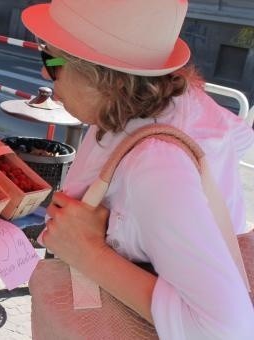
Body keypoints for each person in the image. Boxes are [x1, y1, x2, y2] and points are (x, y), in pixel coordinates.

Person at [22, 0, 254, 338]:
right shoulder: (172, 99)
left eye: (50, 60)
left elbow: (228, 330)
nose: (44, 73)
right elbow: (241, 137)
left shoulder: (155, 167)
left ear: (103, 78)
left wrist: (90, 252)